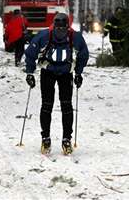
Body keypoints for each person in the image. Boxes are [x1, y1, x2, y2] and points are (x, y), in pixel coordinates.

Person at [24, 13, 89, 155]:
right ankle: (53, 138)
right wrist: (30, 72)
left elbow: (30, 53)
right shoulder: (52, 36)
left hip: (59, 73)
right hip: (56, 72)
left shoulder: (51, 35)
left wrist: (78, 73)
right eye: (59, 28)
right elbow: (83, 54)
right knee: (58, 105)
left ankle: (58, 138)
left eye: (62, 28)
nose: (60, 31)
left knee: (56, 105)